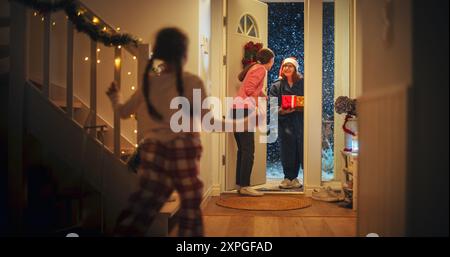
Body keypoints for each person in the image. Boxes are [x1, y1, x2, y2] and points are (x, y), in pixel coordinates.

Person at [107, 27, 209, 237]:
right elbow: (209, 121)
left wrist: (115, 97)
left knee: (141, 209)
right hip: (184, 148)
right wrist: (247, 120)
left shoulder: (149, 83)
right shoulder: (192, 82)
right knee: (190, 209)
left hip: (153, 150)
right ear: (184, 53)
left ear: (159, 52)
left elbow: (124, 113)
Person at [233, 48, 275, 196]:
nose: (272, 65)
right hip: (244, 111)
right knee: (248, 150)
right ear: (269, 61)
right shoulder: (261, 69)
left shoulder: (254, 67)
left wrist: (263, 94)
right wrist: (256, 105)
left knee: (242, 150)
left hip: (236, 110)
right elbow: (250, 89)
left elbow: (250, 87)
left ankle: (241, 185)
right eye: (272, 61)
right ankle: (245, 186)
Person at [269, 57, 304, 189]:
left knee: (299, 148)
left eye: (290, 66)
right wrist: (282, 111)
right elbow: (272, 106)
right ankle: (287, 177)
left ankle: (294, 177)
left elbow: (310, 99)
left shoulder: (303, 83)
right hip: (284, 122)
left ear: (295, 69)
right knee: (287, 149)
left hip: (300, 121)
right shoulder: (276, 85)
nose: (287, 68)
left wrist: (299, 106)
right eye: (285, 66)